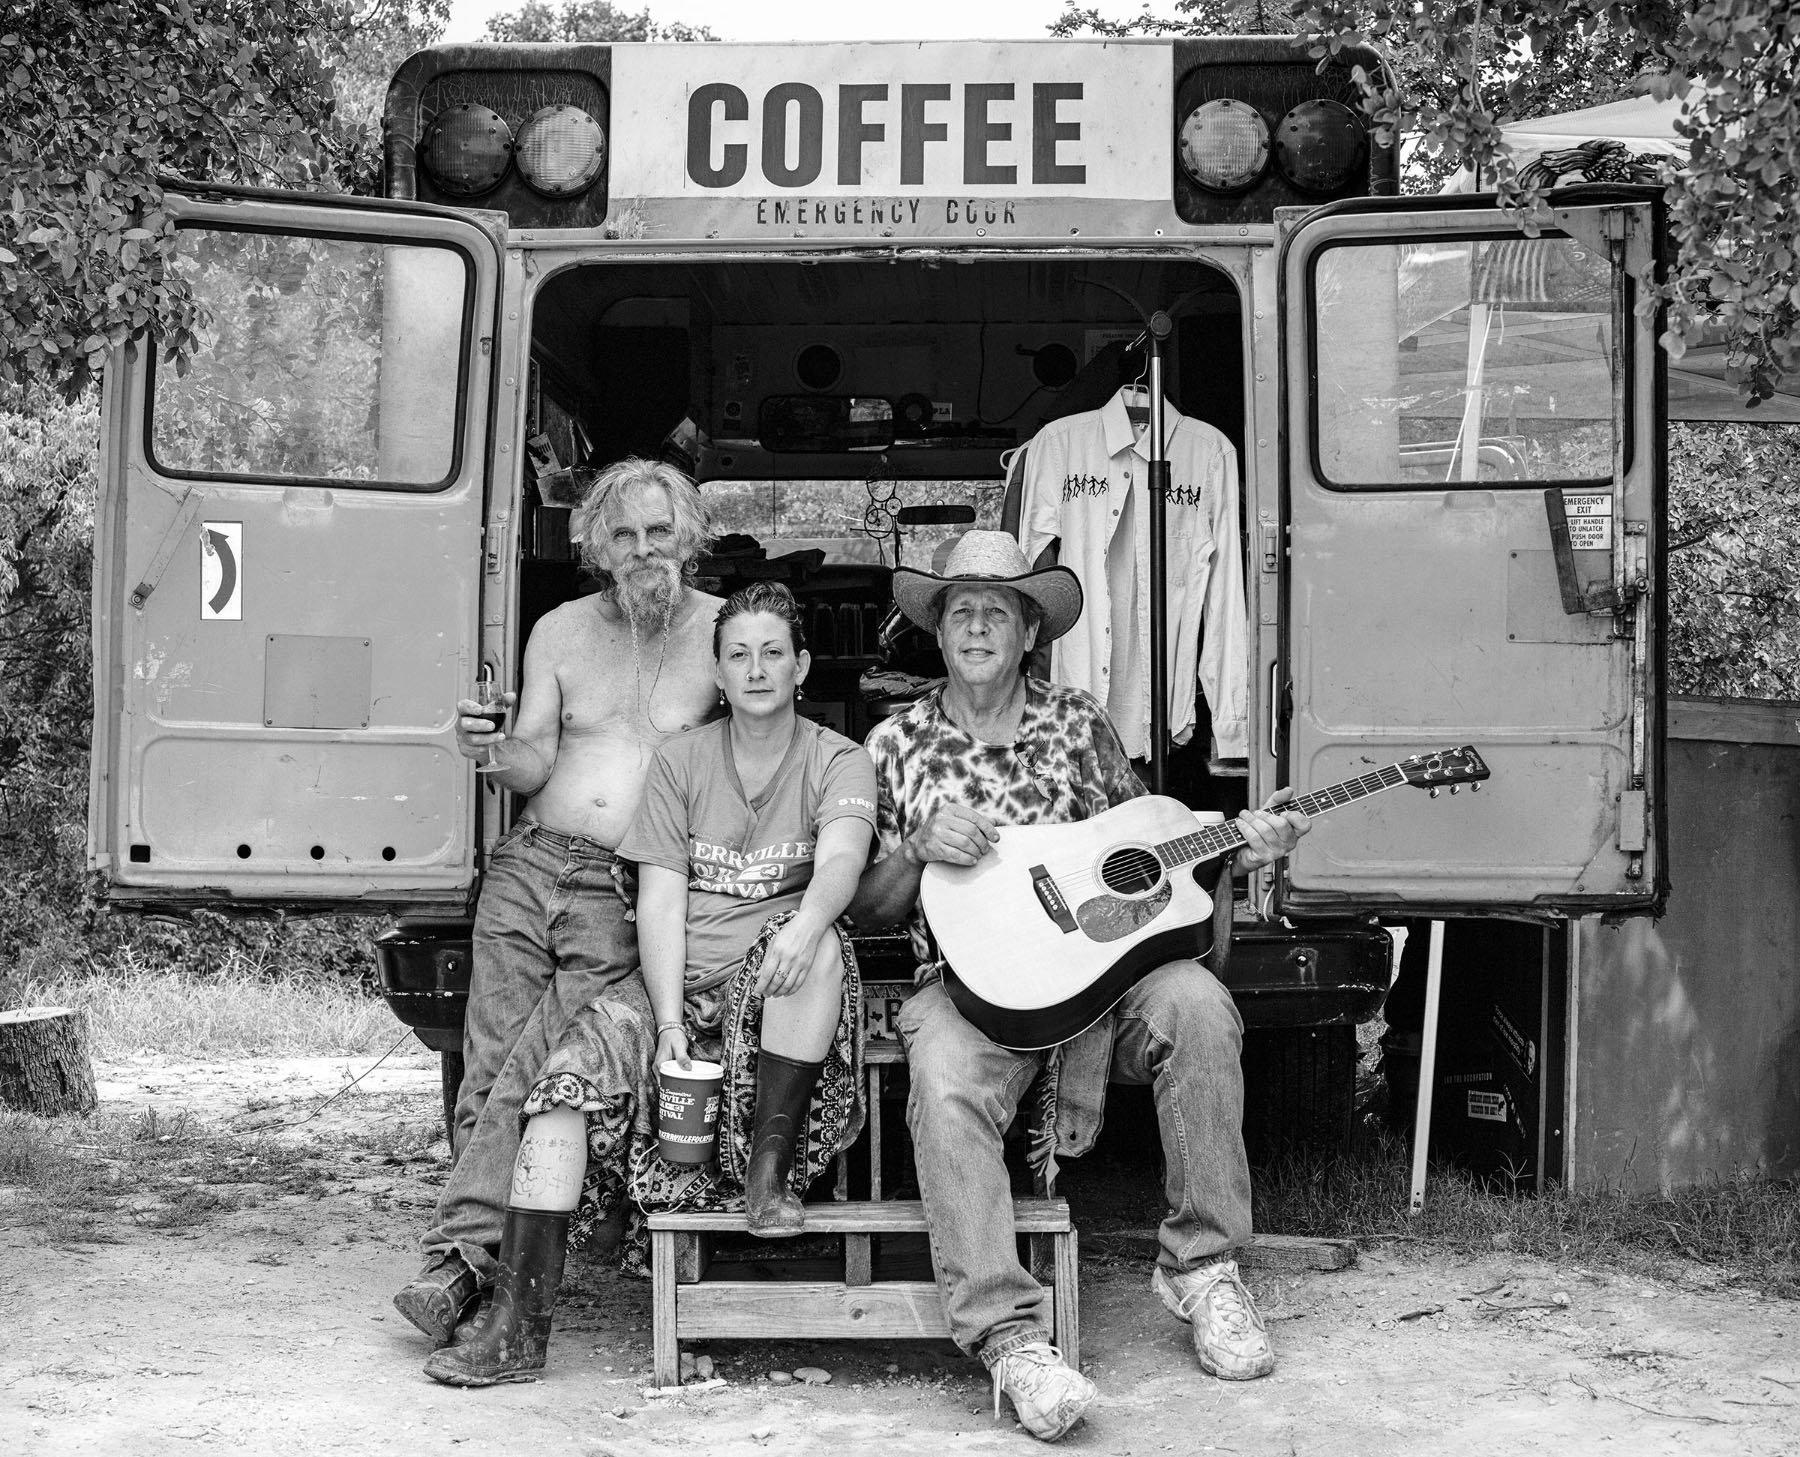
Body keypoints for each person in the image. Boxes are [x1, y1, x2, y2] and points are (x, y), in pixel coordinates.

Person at [847, 531, 1310, 1442]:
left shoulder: (1079, 723)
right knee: (940, 1070)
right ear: (936, 633)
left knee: (1198, 1006)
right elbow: (862, 909)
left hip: (1099, 983)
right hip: (970, 988)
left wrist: (1238, 858)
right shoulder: (893, 742)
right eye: (959, 610)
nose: (976, 625)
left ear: (1029, 632)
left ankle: (1204, 1268)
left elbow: (1145, 861)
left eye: (998, 610)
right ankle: (1009, 1335)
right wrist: (910, 848)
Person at [422, 581, 878, 1386]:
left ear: (802, 665)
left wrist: (806, 923)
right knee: (558, 1090)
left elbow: (842, 855)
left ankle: (768, 1175)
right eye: (739, 654)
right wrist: (666, 1022)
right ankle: (517, 1327)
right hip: (680, 978)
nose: (757, 668)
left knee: (818, 950)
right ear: (719, 673)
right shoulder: (680, 761)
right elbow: (660, 896)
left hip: (771, 980)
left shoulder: (837, 757)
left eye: (773, 651)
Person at [392, 458, 725, 1346]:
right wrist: (490, 751)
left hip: (620, 884)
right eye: (624, 534)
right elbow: (535, 759)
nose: (645, 548)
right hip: (529, 862)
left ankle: (456, 1256)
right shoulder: (559, 631)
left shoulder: (725, 635)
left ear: (689, 534)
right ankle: (478, 1274)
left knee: (534, 1068)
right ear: (596, 546)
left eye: (660, 531)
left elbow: (755, 757)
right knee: (487, 1065)